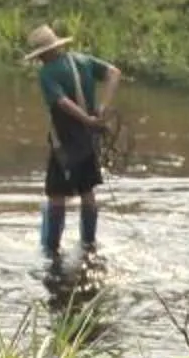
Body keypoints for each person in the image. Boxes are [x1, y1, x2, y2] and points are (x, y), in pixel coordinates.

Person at [24, 23, 120, 272]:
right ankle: (89, 244)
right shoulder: (82, 60)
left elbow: (62, 102)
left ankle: (51, 250)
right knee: (87, 192)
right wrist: (102, 109)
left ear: (42, 54)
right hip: (89, 140)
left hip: (64, 143)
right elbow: (114, 73)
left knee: (56, 196)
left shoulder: (47, 74)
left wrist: (86, 119)